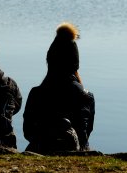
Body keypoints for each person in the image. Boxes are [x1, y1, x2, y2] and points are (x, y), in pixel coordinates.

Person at [23, 22, 95, 154]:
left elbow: (28, 133)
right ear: (75, 63)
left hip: (42, 151)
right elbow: (85, 136)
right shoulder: (86, 96)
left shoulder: (36, 94)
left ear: (49, 60)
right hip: (79, 154)